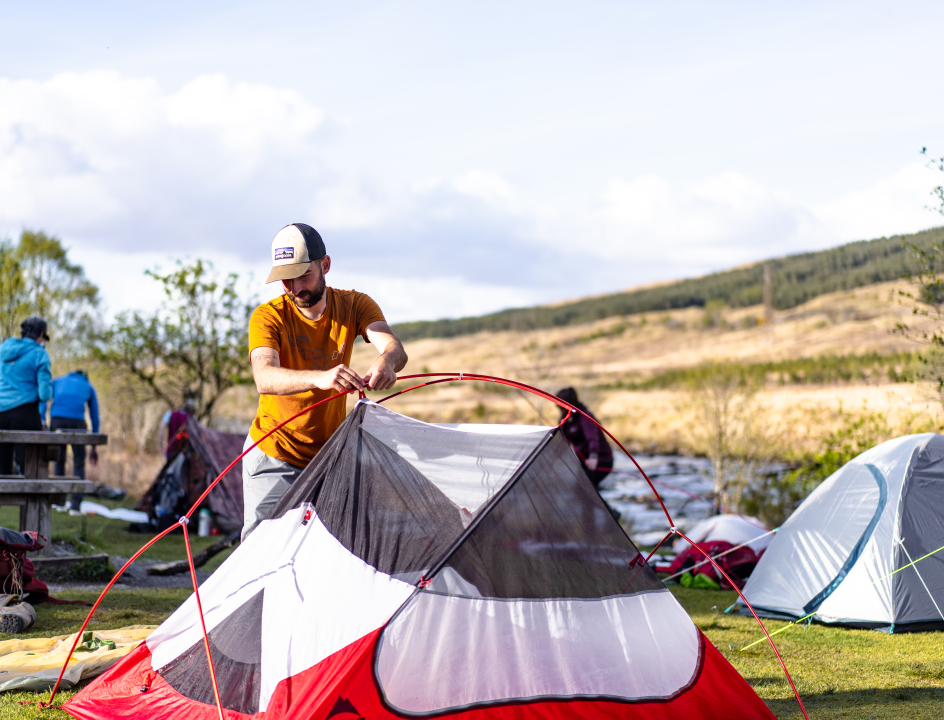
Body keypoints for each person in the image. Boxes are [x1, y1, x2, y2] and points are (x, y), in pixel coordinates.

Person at [243, 223, 407, 538]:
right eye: (285, 278)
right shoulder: (267, 317)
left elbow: (393, 347)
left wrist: (386, 362)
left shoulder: (355, 304)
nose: (293, 286)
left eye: (303, 274)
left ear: (325, 265)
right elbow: (263, 377)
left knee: (328, 551)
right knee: (259, 554)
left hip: (329, 459)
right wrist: (322, 378)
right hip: (274, 453)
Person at [0, 318, 52, 475]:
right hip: (25, 413)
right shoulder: (40, 354)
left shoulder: (3, 349)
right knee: (31, 464)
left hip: (0, 413)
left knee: (2, 469)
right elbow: (45, 395)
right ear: (41, 334)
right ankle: (34, 496)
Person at [43, 369, 100, 511]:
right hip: (77, 423)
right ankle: (75, 506)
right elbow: (95, 415)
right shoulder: (88, 386)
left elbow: (43, 400)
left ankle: (59, 502)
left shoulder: (57, 381)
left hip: (56, 420)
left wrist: (43, 421)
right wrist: (94, 445)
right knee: (79, 462)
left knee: (59, 460)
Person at [556, 387, 614, 488]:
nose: (559, 409)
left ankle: (599, 504)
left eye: (561, 406)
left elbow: (592, 438)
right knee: (581, 487)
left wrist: (593, 456)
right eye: (558, 406)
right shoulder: (565, 420)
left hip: (601, 460)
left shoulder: (585, 417)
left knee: (583, 487)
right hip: (584, 461)